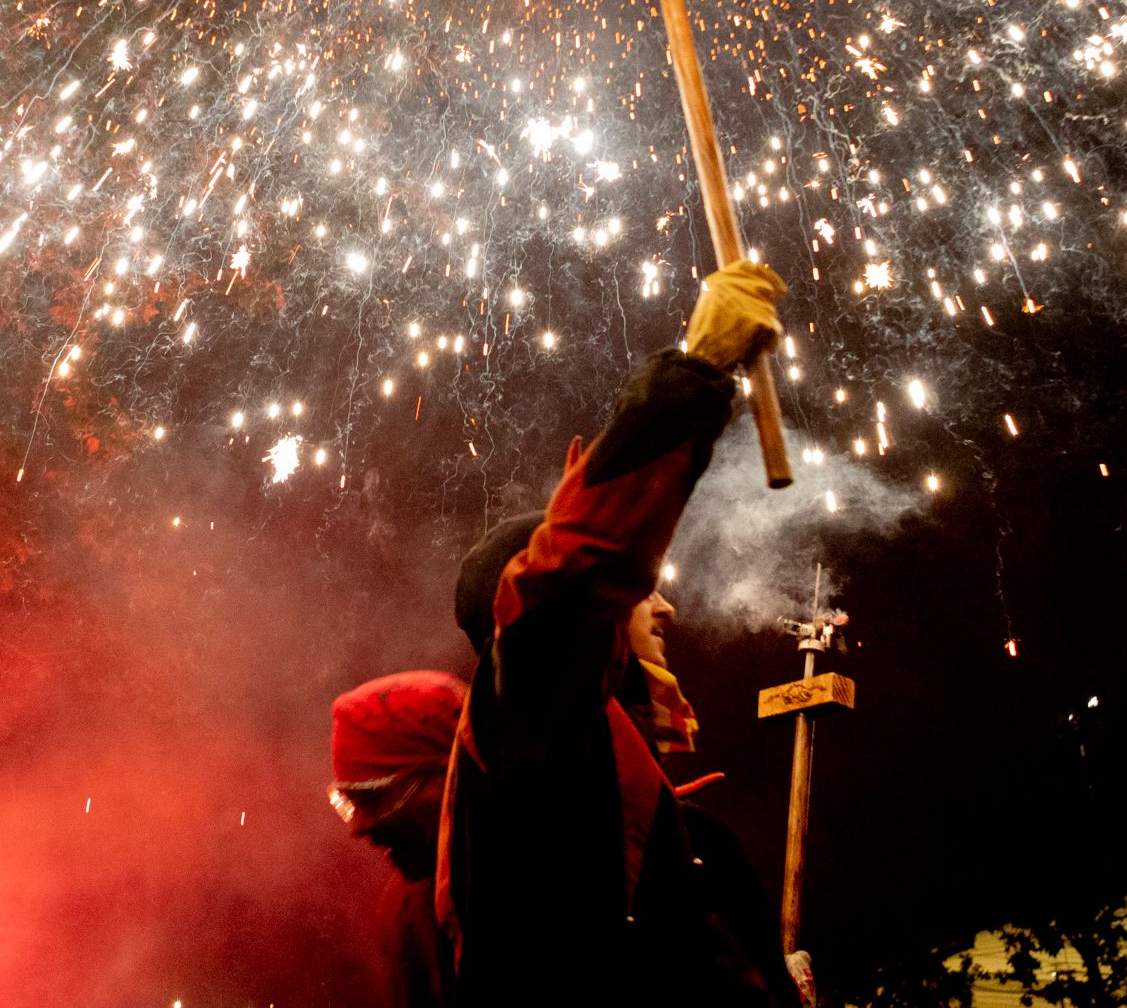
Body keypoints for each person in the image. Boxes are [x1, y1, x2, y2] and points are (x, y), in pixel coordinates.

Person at [437, 258, 792, 1006]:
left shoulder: (594, 760)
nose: (661, 608)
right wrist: (696, 367)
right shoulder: (532, 715)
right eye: (639, 592)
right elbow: (572, 578)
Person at [330, 669, 466, 1008]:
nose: (358, 828)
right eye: (348, 804)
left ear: (449, 773)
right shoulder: (405, 914)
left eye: (375, 800)